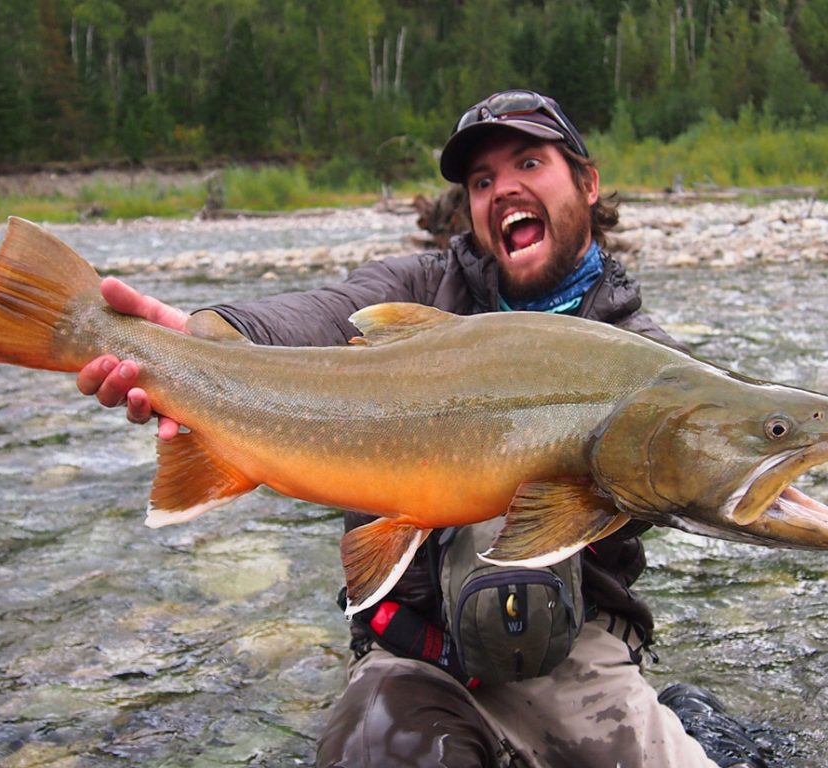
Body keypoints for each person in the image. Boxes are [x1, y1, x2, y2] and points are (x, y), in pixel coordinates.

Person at [77, 90, 770, 768]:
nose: (503, 189)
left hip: (579, 658)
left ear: (586, 183)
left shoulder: (645, 356)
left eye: (529, 163)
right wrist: (208, 339)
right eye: (482, 179)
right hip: (413, 661)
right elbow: (321, 314)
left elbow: (709, 488)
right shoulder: (416, 287)